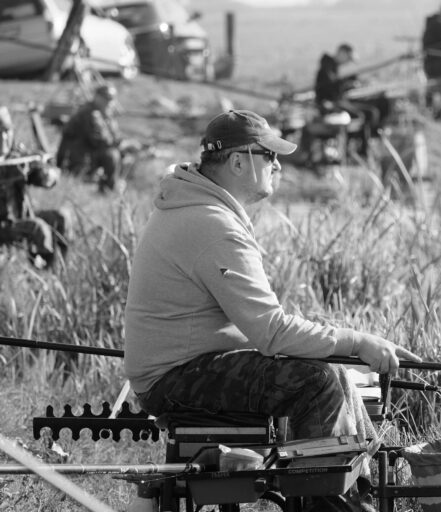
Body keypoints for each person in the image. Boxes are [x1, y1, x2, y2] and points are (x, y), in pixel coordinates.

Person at [124, 110, 420, 510]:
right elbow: (271, 332)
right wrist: (358, 341)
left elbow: (262, 324)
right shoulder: (212, 224)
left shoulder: (199, 206)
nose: (277, 165)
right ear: (238, 161)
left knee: (327, 368)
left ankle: (357, 489)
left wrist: (338, 342)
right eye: (269, 155)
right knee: (314, 382)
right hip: (173, 378)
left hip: (184, 364)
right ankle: (333, 503)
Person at [0, 106, 68, 268]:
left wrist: (47, 176)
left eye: (6, 131)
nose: (3, 138)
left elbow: (37, 175)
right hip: (3, 225)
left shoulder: (17, 156)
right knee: (37, 227)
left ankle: (59, 269)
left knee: (59, 217)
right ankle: (38, 272)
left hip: (19, 218)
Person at [310, 43, 389, 159]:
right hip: (330, 105)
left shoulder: (331, 67)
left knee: (371, 111)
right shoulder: (326, 68)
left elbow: (334, 88)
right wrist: (347, 82)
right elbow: (330, 90)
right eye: (348, 58)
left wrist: (348, 84)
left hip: (337, 102)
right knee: (362, 115)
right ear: (342, 53)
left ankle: (361, 150)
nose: (347, 63)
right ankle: (358, 151)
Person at [56, 83, 123, 193]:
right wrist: (121, 143)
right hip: (76, 159)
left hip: (85, 155)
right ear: (97, 97)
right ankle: (108, 189)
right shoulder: (90, 113)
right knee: (112, 155)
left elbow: (114, 136)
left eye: (111, 99)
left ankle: (110, 186)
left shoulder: (102, 113)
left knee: (117, 153)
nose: (109, 102)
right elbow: (100, 141)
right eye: (106, 98)